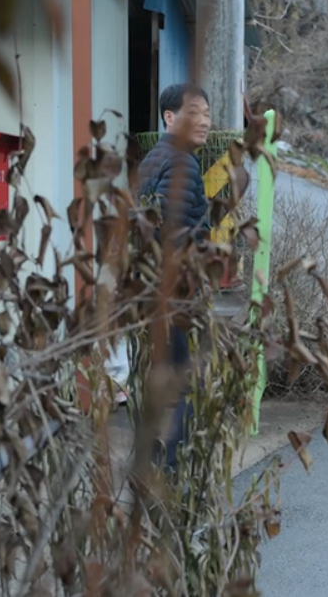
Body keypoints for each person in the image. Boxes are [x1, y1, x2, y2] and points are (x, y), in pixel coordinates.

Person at [135, 82, 212, 471]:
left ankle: (147, 454)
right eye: (194, 113)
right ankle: (172, 463)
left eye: (208, 115)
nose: (204, 122)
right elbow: (173, 229)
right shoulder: (182, 162)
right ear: (170, 118)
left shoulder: (154, 157)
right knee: (189, 379)